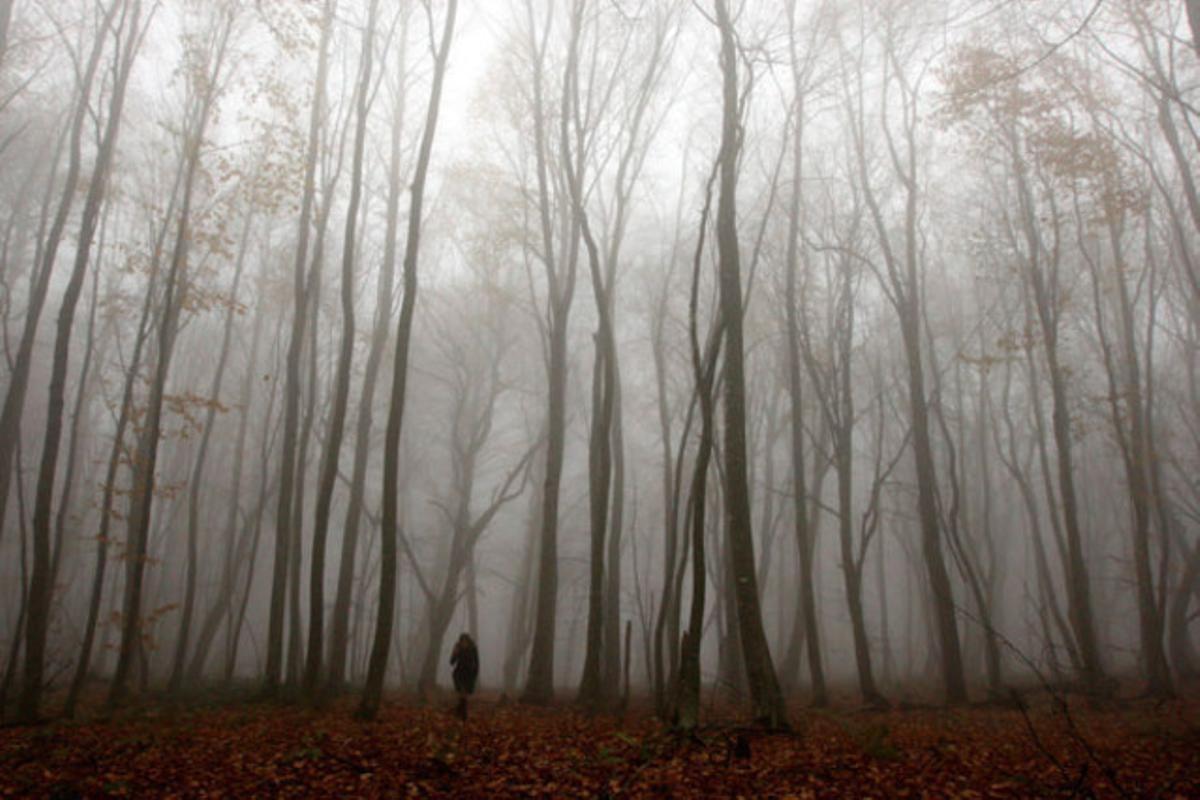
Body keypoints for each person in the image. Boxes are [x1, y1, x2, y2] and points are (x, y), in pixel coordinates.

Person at [449, 633, 478, 718]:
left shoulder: (473, 649)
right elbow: (451, 662)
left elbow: (476, 662)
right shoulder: (458, 648)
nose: (464, 643)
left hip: (469, 673)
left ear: (468, 642)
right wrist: (454, 653)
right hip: (459, 673)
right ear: (460, 642)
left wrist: (475, 674)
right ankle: (462, 711)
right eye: (462, 641)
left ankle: (461, 711)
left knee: (464, 692)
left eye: (465, 641)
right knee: (461, 692)